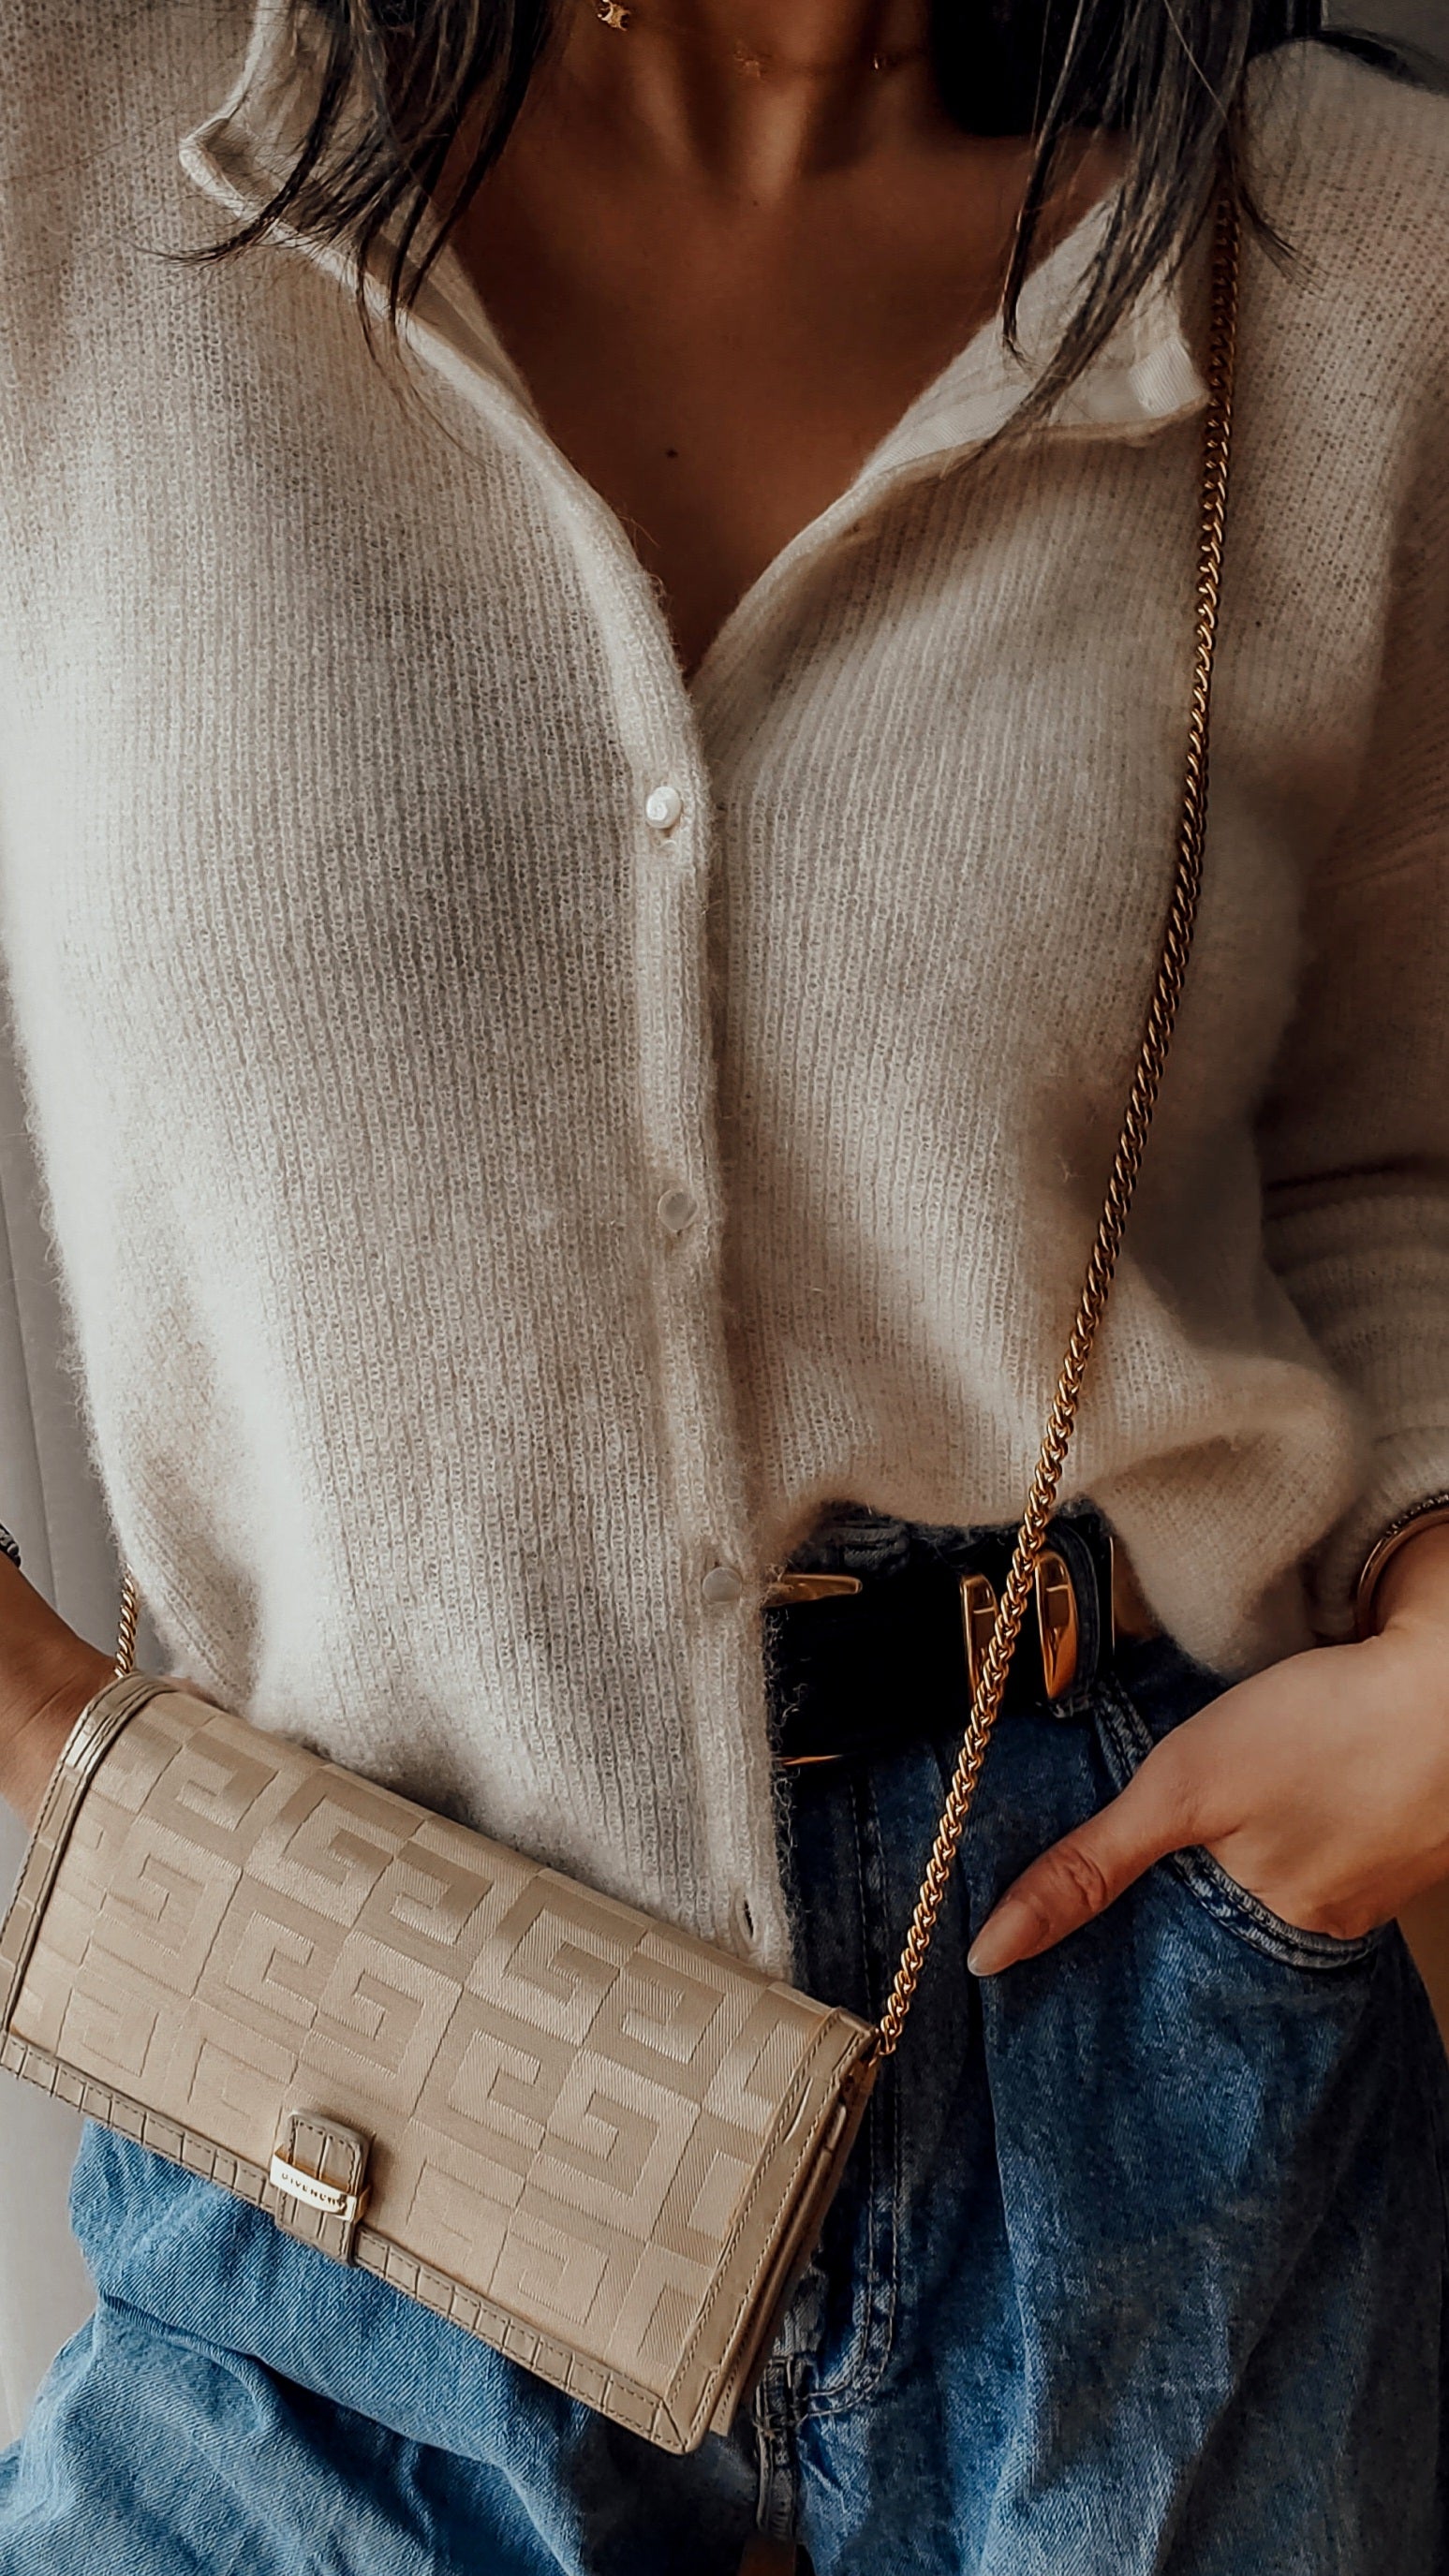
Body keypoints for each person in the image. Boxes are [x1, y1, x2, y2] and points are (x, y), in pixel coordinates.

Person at [0, 0, 1445, 2565]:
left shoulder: (1342, 255)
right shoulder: (69, 122)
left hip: (1140, 2024)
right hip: (332, 2031)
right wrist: (28, 1738)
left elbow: (1380, 1147)